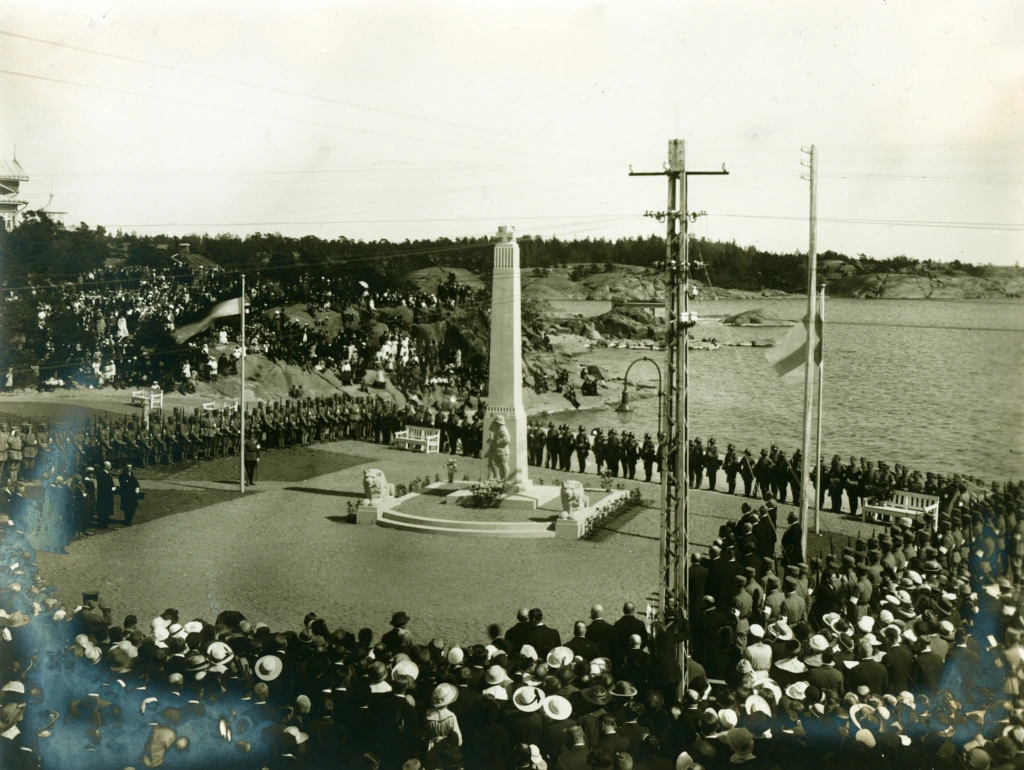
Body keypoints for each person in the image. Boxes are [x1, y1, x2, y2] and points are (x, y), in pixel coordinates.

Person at [95, 461, 115, 529]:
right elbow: (103, 485)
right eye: (109, 466)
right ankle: (101, 524)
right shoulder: (101, 474)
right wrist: (111, 488)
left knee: (107, 509)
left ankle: (106, 523)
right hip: (103, 495)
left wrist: (113, 487)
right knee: (102, 510)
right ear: (105, 466)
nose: (110, 467)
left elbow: (111, 482)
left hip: (108, 494)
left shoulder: (108, 474)